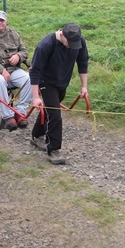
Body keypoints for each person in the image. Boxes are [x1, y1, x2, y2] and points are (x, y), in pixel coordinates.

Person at [29, 23, 89, 165]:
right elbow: (35, 71)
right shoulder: (46, 45)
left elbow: (83, 62)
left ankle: (36, 135)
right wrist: (36, 97)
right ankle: (53, 150)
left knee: (50, 110)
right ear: (62, 35)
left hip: (62, 81)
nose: (72, 46)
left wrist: (84, 87)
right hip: (46, 81)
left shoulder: (79, 41)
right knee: (55, 114)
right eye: (70, 43)